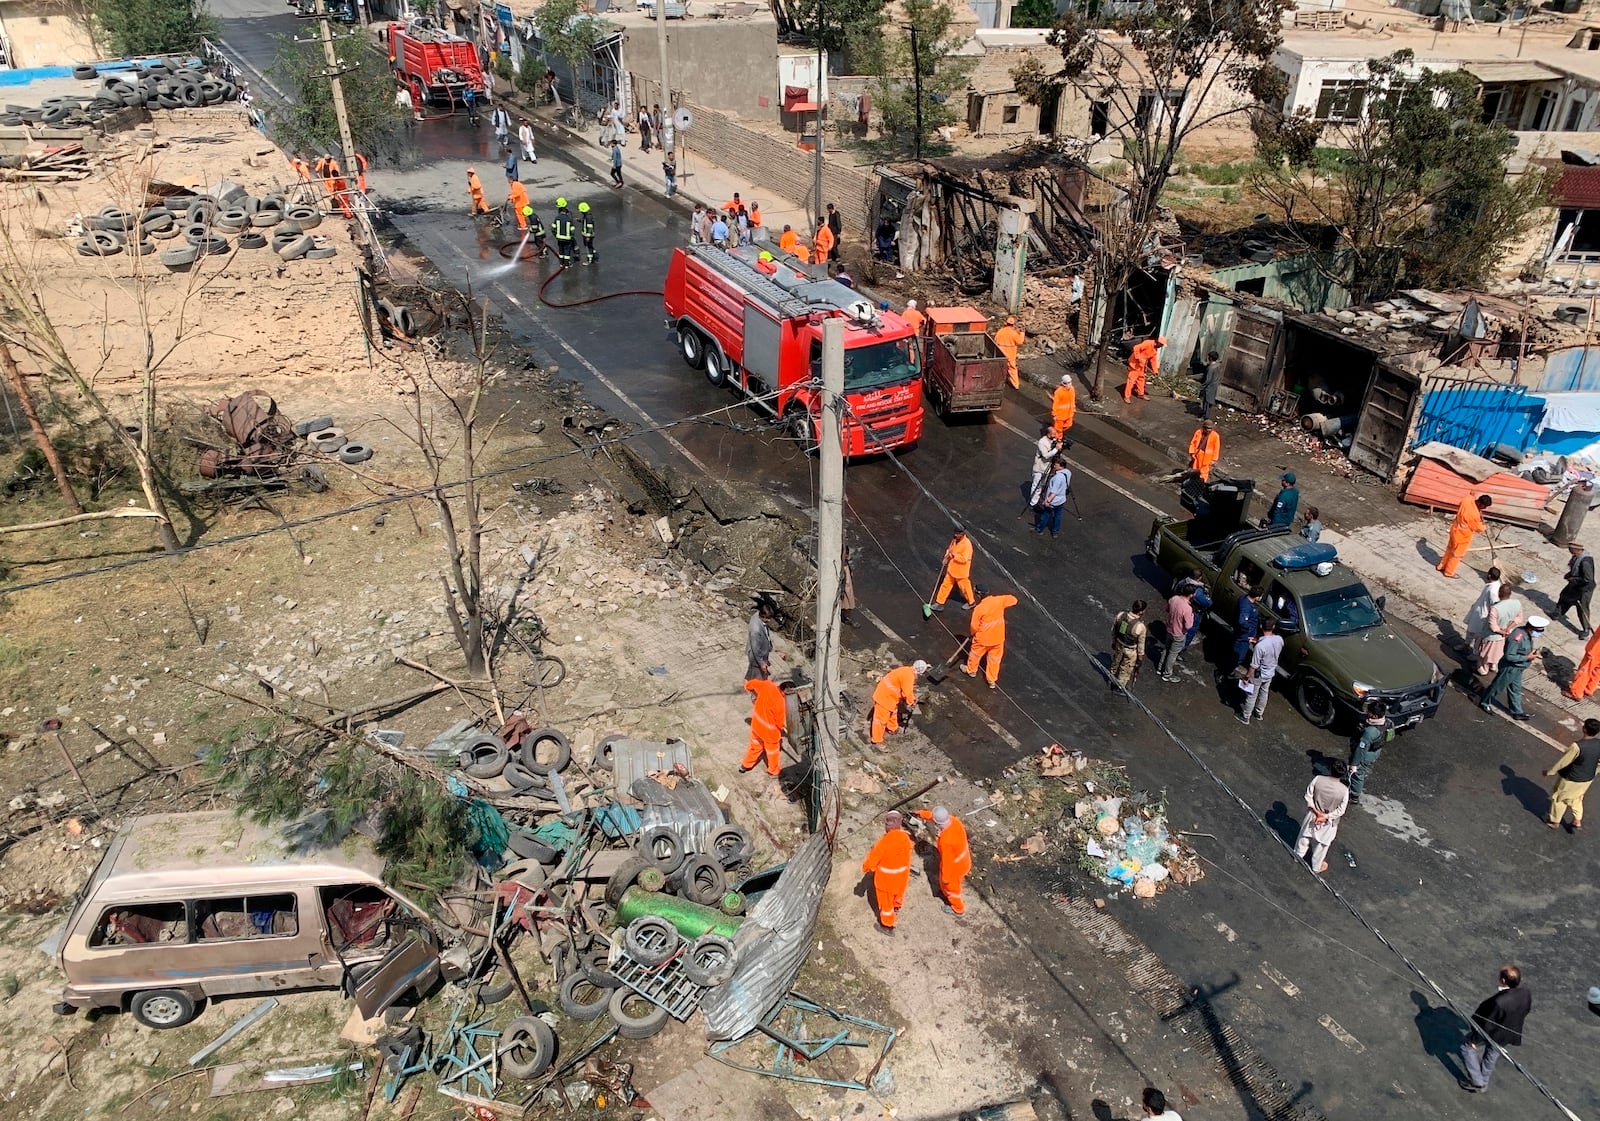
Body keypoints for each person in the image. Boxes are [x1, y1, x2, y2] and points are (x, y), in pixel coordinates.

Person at [1460, 966, 1532, 1093]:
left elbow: (1487, 1023)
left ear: (1503, 980)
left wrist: (1475, 1038)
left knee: (1467, 1048)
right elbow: (1526, 1010)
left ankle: (1478, 1082)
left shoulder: (1499, 1001)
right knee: (1492, 1055)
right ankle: (1484, 1082)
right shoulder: (1525, 993)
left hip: (1492, 1032)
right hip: (1508, 1033)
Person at [1481, 616, 1547, 722]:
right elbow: (1509, 656)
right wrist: (1527, 657)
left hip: (1518, 668)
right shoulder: (1518, 637)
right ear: (1531, 628)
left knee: (1515, 690)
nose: (1539, 634)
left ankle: (1517, 711)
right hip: (1510, 668)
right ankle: (1485, 702)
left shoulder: (1526, 634)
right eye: (1538, 631)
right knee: (1497, 687)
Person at [862, 812, 915, 934]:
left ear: (887, 826)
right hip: (901, 878)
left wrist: (865, 868)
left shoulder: (884, 842)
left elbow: (870, 863)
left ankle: (888, 926)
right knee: (898, 895)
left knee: (885, 904)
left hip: (886, 881)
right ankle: (896, 906)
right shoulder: (905, 838)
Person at [914, 805, 972, 916]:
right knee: (945, 884)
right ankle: (945, 892)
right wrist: (921, 813)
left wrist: (946, 879)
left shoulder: (946, 840)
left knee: (952, 889)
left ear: (938, 825)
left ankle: (958, 909)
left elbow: (947, 862)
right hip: (964, 861)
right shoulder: (954, 821)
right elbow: (935, 816)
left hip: (955, 868)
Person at [1293, 760, 1349, 873]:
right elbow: (1341, 810)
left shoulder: (1318, 779)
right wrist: (1326, 816)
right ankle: (1316, 866)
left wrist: (1316, 811)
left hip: (1313, 815)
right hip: (1329, 822)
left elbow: (1308, 796)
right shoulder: (1344, 790)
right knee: (1322, 846)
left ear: (1330, 769)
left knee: (1304, 837)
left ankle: (1297, 856)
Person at [1546, 717, 1600, 830]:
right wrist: (1595, 772)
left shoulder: (1577, 746)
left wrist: (1550, 771)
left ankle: (1554, 821)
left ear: (1584, 729)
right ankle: (1577, 820)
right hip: (1588, 778)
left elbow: (1563, 762)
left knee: (1559, 798)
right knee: (1577, 798)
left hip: (1571, 779)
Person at [965, 592, 1018, 688]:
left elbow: (974, 626)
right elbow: (1013, 600)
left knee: (975, 655)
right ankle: (991, 680)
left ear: (978, 595)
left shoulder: (979, 608)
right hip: (998, 638)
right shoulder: (998, 600)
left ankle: (971, 671)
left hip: (982, 639)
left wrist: (973, 633)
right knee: (994, 660)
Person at [741, 677, 793, 776]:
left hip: (756, 726)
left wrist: (747, 686)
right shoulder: (780, 703)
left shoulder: (767, 685)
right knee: (772, 753)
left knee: (754, 747)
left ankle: (745, 765)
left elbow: (753, 683)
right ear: (786, 692)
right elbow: (779, 722)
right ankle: (773, 770)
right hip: (769, 733)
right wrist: (783, 729)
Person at [870, 661, 928, 744]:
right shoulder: (909, 676)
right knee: (880, 720)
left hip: (890, 697)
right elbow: (907, 693)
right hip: (884, 697)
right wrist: (911, 702)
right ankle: (877, 740)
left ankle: (892, 728)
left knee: (893, 713)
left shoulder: (906, 670)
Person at [1438, 493, 1492, 578]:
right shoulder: (1474, 515)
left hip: (1455, 529)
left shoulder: (1467, 499)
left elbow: (1470, 496)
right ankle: (1449, 572)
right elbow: (1477, 528)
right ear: (1480, 503)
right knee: (1456, 555)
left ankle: (1441, 566)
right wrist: (1484, 527)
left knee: (1449, 549)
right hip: (1462, 536)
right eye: (1484, 507)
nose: (1484, 509)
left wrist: (1472, 495)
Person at [1240, 617, 1283, 723]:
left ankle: (1246, 716)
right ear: (1273, 627)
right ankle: (1259, 713)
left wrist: (1247, 677)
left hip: (1259, 674)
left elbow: (1254, 665)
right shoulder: (1279, 639)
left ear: (1261, 626)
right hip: (1271, 672)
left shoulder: (1260, 647)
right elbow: (1270, 643)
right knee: (1264, 693)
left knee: (1252, 695)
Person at [1477, 582, 1523, 676]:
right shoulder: (1517, 603)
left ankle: (1484, 668)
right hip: (1505, 635)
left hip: (1491, 636)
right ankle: (1493, 665)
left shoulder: (1495, 608)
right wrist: (1508, 629)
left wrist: (1502, 631)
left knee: (1485, 654)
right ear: (1510, 594)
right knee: (1498, 652)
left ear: (1499, 594)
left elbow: (1493, 626)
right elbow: (1519, 618)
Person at [1159, 582, 1197, 681]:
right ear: (1191, 594)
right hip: (1179, 634)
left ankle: (1160, 668)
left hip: (1169, 629)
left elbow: (1167, 609)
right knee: (1173, 654)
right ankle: (1167, 674)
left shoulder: (1174, 599)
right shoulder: (1188, 609)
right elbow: (1188, 626)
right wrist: (1192, 616)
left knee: (1166, 649)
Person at [1557, 540, 1595, 637]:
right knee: (1564, 596)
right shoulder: (1576, 557)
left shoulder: (1586, 561)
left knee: (1582, 608)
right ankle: (1558, 613)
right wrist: (1569, 575)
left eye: (1571, 549)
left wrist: (1573, 579)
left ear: (1576, 550)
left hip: (1584, 589)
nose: (1569, 551)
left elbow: (1588, 579)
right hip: (1574, 584)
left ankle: (1586, 629)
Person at [933, 529, 976, 611]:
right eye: (955, 533)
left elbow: (964, 558)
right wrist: (947, 557)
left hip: (961, 572)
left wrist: (954, 555)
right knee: (945, 585)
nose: (955, 535)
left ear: (962, 534)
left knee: (965, 588)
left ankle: (971, 602)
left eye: (957, 534)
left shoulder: (967, 545)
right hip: (951, 569)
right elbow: (950, 549)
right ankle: (939, 603)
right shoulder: (954, 540)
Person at [1110, 600, 1149, 689]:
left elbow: (1113, 630)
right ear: (1141, 611)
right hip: (1130, 650)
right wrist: (1140, 658)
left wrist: (1113, 642)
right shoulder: (1140, 627)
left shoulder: (1121, 615)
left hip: (1119, 644)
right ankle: (1119, 686)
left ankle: (1111, 678)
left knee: (1115, 663)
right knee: (1126, 669)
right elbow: (1141, 645)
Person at [1463, 566, 1502, 652]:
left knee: (1478, 636)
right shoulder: (1492, 585)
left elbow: (1494, 605)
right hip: (1478, 612)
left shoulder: (1493, 590)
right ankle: (1466, 645)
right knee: (1470, 631)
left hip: (1482, 616)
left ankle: (1474, 654)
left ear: (1489, 576)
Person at [1025, 425, 1061, 516]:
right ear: (1048, 434)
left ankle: (1038, 500)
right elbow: (1046, 455)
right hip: (1039, 468)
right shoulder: (1042, 442)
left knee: (1042, 485)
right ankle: (1032, 504)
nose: (1055, 435)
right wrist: (1056, 449)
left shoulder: (1053, 440)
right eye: (1053, 433)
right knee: (1036, 485)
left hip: (1047, 467)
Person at [1034, 460, 1071, 538]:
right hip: (1061, 500)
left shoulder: (1057, 478)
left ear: (1061, 466)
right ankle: (1055, 532)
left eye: (1056, 465)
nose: (1054, 466)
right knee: (1058, 516)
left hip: (1053, 501)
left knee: (1045, 515)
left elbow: (1053, 492)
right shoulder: (1068, 472)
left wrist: (1047, 501)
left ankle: (1039, 529)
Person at [1231, 585, 1261, 675]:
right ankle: (1225, 672)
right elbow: (1242, 621)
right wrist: (1249, 629)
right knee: (1238, 656)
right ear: (1257, 597)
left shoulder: (1244, 598)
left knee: (1237, 655)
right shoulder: (1247, 606)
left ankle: (1228, 669)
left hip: (1245, 635)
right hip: (1244, 635)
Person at [1125, 335, 1163, 401]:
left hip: (1141, 365)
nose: (1161, 346)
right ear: (1158, 342)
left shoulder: (1154, 350)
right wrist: (1138, 357)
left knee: (1141, 379)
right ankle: (1127, 397)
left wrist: (1155, 371)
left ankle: (1140, 394)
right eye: (1161, 345)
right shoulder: (1148, 343)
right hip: (1135, 364)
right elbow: (1136, 347)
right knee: (1131, 381)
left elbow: (1153, 361)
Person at [1567, 625, 1600, 699]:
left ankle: (1576, 692)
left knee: (1585, 670)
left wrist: (1592, 652)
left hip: (1596, 651)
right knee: (1597, 670)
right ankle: (1589, 689)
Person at [994, 316, 1025, 390]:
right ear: (1014, 324)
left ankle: (997, 382)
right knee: (1012, 369)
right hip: (1010, 354)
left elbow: (995, 340)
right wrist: (1022, 333)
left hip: (1001, 354)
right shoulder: (1014, 333)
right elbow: (1020, 342)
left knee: (999, 368)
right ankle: (1015, 385)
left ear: (1006, 323)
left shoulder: (1000, 331)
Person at [746, 602, 775, 680]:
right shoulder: (755, 630)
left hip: (762, 649)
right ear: (762, 616)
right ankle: (754, 687)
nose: (769, 620)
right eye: (767, 618)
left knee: (753, 669)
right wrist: (762, 663)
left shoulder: (758, 614)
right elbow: (755, 649)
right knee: (757, 672)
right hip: (756, 654)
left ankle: (750, 678)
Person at [1051, 373, 1076, 439]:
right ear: (1064, 384)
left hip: (1069, 413)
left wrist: (1073, 407)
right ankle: (1058, 440)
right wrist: (1054, 414)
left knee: (1069, 425)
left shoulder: (1072, 389)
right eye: (1068, 383)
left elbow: (1073, 399)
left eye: (1070, 382)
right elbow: (1055, 404)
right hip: (1060, 415)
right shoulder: (1058, 392)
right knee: (1059, 429)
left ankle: (1054, 432)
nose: (1069, 384)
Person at [551, 198, 576, 265]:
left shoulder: (557, 218)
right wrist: (571, 237)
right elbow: (572, 230)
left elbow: (553, 229)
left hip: (559, 238)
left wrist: (556, 235)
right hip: (567, 239)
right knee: (567, 251)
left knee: (561, 250)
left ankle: (561, 263)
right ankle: (567, 264)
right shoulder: (569, 219)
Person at [1198, 349, 1221, 421]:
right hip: (1214, 386)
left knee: (1206, 402)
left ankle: (1205, 417)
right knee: (1209, 402)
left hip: (1209, 387)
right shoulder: (1217, 365)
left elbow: (1207, 380)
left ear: (1210, 358)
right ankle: (1204, 414)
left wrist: (1201, 387)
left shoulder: (1211, 368)